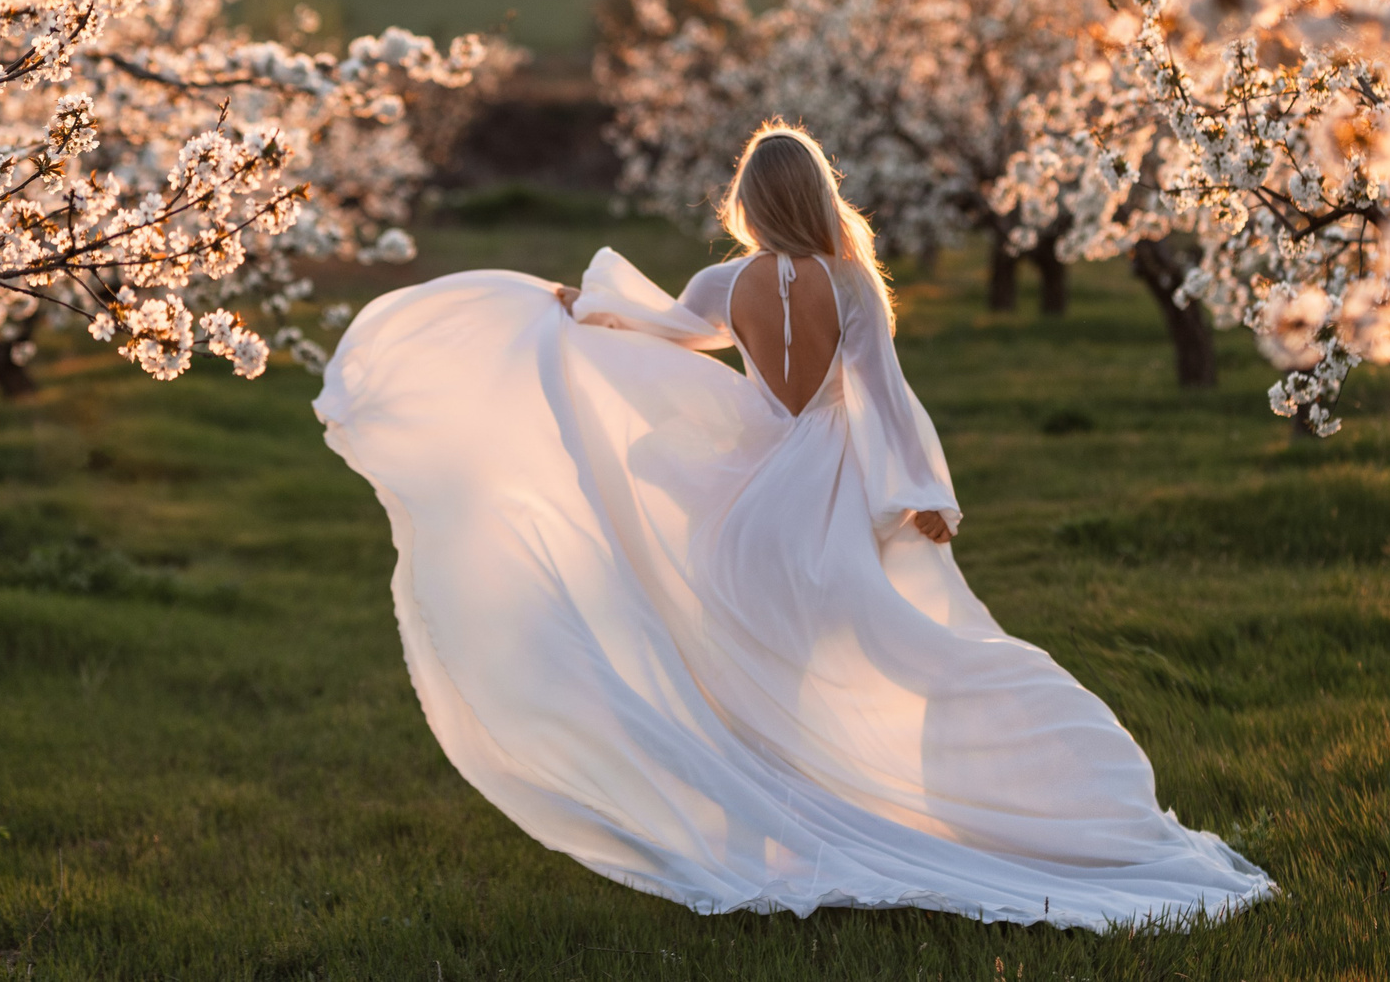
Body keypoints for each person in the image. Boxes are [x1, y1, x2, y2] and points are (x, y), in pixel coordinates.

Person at [315, 121, 1273, 929]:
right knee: (898, 649)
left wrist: (583, 307)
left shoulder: (723, 285)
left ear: (749, 201)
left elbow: (658, 333)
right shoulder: (848, 282)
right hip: (827, 490)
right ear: (815, 195)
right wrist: (924, 492)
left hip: (744, 504)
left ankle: (766, 830)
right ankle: (955, 802)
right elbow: (885, 396)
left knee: (758, 671)